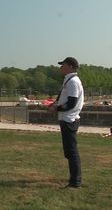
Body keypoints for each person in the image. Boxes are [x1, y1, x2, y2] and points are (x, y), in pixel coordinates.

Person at [47, 57, 84, 188]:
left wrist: (55, 108)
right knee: (69, 151)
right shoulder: (68, 80)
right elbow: (65, 99)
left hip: (69, 120)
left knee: (72, 151)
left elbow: (71, 103)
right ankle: (74, 179)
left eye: (63, 65)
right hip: (67, 119)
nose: (60, 67)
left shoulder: (73, 81)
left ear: (70, 66)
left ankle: (75, 182)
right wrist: (55, 104)